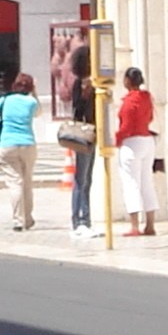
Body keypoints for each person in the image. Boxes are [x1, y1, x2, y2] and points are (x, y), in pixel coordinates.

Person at [0, 73, 41, 230]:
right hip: (27, 144)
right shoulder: (31, 101)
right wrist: (35, 92)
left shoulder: (4, 100)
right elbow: (38, 113)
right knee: (27, 182)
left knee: (14, 183)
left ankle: (18, 221)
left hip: (7, 144)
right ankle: (28, 218)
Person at [115, 68, 157, 235]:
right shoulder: (146, 98)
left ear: (127, 81)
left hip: (131, 142)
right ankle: (150, 224)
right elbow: (150, 118)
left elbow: (125, 126)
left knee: (131, 182)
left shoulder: (129, 102)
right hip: (147, 140)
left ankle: (134, 225)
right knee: (147, 182)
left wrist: (116, 139)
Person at [65, 56, 98, 236]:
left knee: (86, 179)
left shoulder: (84, 84)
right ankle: (80, 219)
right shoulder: (83, 85)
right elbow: (80, 109)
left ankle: (84, 218)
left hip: (89, 134)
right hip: (85, 134)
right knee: (82, 179)